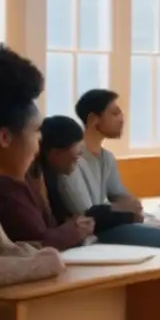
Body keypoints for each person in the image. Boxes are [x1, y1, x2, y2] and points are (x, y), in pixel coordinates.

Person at [0, 115, 160, 258]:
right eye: (114, 113)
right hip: (81, 240)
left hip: (83, 236)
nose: (122, 119)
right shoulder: (17, 183)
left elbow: (117, 197)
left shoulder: (101, 159)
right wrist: (118, 213)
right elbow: (79, 216)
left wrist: (127, 209)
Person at [0, 45, 65, 293]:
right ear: (5, 137)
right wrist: (45, 265)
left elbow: (3, 248)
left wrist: (40, 255)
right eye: (36, 131)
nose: (39, 143)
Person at [58, 89, 144, 221]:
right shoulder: (72, 159)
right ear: (93, 119)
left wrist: (131, 204)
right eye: (115, 113)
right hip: (93, 233)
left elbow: (119, 194)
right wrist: (123, 208)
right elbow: (85, 211)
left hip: (112, 224)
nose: (122, 119)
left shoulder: (107, 158)